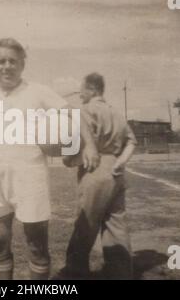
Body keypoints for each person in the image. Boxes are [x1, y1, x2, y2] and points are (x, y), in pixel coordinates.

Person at [0, 38, 99, 280]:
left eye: (13, 61)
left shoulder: (38, 92)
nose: (7, 66)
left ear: (22, 64)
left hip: (31, 179)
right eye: (1, 61)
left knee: (37, 246)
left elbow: (75, 112)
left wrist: (89, 144)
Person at [56, 73, 137, 280]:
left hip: (94, 168)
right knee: (116, 225)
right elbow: (132, 142)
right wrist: (120, 162)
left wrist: (68, 160)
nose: (80, 94)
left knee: (86, 224)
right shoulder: (116, 112)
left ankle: (74, 274)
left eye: (82, 89)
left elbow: (71, 149)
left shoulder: (83, 111)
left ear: (92, 89)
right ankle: (120, 274)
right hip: (117, 171)